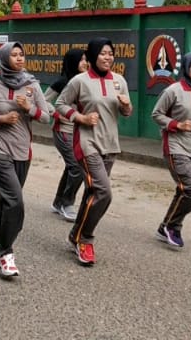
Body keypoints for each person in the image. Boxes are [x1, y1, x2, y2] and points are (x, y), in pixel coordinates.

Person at [0, 42, 53, 278]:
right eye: (14, 55)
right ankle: (6, 253)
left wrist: (29, 108)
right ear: (4, 58)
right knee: (15, 202)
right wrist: (0, 119)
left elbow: (46, 118)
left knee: (7, 199)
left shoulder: (32, 85)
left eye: (22, 54)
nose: (19, 59)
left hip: (22, 152)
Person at [55, 37, 133, 267]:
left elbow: (126, 112)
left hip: (110, 144)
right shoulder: (79, 81)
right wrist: (80, 118)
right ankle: (85, 240)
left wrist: (127, 106)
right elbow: (60, 104)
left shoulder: (119, 81)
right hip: (86, 142)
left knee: (93, 192)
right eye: (103, 53)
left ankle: (75, 234)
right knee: (104, 192)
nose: (108, 57)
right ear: (92, 56)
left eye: (111, 53)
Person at [151, 52, 191, 248]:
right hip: (176, 148)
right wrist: (176, 125)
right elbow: (156, 114)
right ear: (186, 68)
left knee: (184, 191)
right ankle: (173, 227)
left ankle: (164, 227)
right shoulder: (173, 91)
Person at [44, 48, 88, 222]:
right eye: (81, 60)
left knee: (71, 167)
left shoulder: (86, 82)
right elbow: (44, 100)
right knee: (77, 167)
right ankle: (67, 204)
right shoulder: (63, 82)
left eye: (86, 59)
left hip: (79, 133)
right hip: (63, 131)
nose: (85, 62)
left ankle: (58, 202)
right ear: (73, 62)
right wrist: (56, 114)